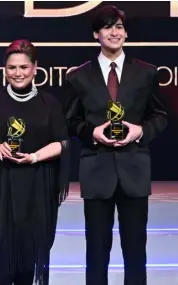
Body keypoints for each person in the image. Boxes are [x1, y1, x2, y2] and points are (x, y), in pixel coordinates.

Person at [64, 5, 168, 285]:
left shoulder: (146, 73)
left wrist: (140, 131)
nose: (114, 32)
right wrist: (92, 132)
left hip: (134, 169)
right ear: (96, 34)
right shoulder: (79, 76)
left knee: (136, 252)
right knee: (96, 253)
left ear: (126, 33)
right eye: (108, 27)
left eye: (119, 27)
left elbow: (160, 116)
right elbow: (70, 121)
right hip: (97, 170)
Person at [0, 39, 70, 285]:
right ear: (4, 69)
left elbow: (62, 143)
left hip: (37, 188)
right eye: (12, 68)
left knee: (30, 257)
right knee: (0, 259)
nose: (18, 73)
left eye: (23, 67)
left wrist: (34, 157)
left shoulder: (49, 104)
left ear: (35, 68)